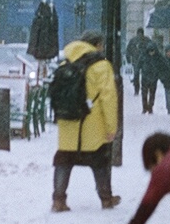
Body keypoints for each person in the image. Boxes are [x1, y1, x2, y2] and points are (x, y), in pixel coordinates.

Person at [51, 30, 119, 213]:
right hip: (92, 124)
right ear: (96, 44)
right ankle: (106, 199)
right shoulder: (101, 66)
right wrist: (112, 127)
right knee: (100, 161)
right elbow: (108, 98)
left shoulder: (66, 62)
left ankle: (58, 200)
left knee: (64, 161)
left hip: (68, 122)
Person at [139, 37, 168, 115]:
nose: (151, 53)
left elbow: (164, 64)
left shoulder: (157, 56)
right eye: (150, 51)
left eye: (152, 51)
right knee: (145, 93)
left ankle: (150, 107)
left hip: (153, 77)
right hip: (145, 77)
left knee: (152, 93)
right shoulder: (145, 55)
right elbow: (139, 64)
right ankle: (145, 107)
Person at [125, 27, 149, 97]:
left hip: (136, 61)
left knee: (136, 75)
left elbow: (128, 51)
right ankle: (144, 89)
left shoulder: (133, 40)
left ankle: (137, 90)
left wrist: (129, 60)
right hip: (144, 60)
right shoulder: (146, 40)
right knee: (144, 76)